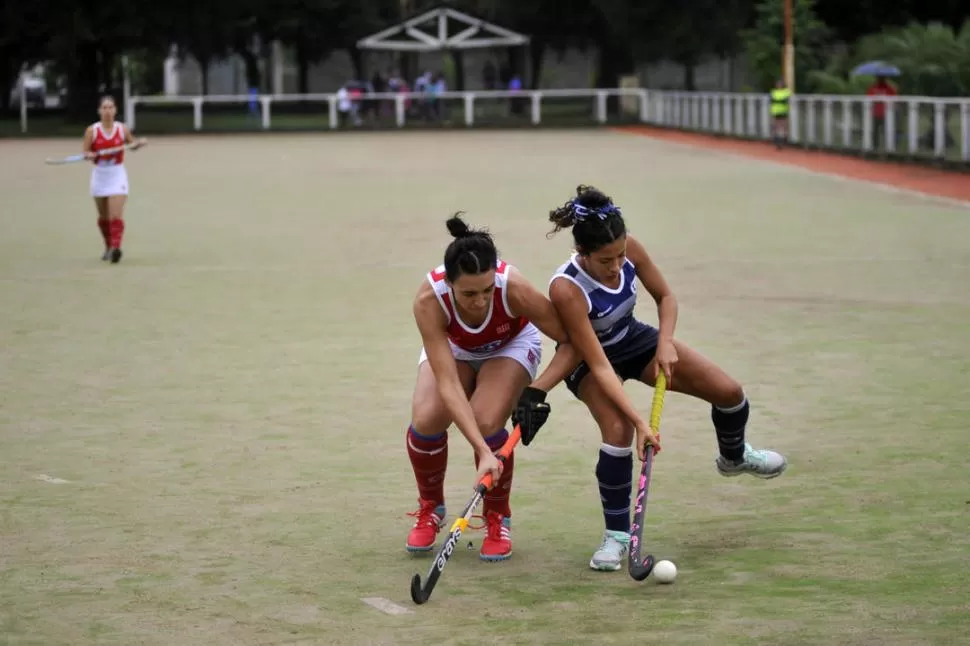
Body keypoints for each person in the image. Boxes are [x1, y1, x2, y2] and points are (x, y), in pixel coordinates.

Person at [537, 185, 787, 572]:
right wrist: (640, 424)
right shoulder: (567, 288)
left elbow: (665, 297)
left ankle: (734, 457)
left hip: (635, 339)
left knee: (728, 391)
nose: (617, 265)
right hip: (590, 360)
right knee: (618, 430)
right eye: (606, 260)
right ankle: (617, 537)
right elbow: (600, 365)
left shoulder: (629, 248)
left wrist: (665, 343)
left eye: (620, 254)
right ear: (582, 254)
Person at [405, 213, 568, 562]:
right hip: (456, 349)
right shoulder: (428, 302)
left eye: (485, 291)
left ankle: (497, 516)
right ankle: (431, 508)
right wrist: (482, 451)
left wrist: (537, 389)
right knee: (427, 418)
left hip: (511, 345)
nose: (479, 302)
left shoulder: (515, 289)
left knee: (486, 420)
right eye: (468, 294)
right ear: (448, 284)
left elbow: (571, 341)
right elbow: (448, 383)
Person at [83, 95, 146, 263]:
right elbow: (85, 152)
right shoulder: (92, 131)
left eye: (111, 107)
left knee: (115, 216)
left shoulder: (122, 129)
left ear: (115, 110)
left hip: (117, 174)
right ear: (99, 111)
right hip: (99, 175)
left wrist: (138, 144)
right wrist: (89, 154)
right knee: (103, 218)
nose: (108, 111)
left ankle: (116, 248)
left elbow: (132, 145)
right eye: (104, 108)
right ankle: (108, 246)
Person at [770, 79, 791, 149]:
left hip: (783, 111)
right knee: (775, 126)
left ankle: (784, 139)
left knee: (783, 126)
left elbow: (787, 100)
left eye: (780, 84)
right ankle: (777, 140)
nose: (778, 85)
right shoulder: (774, 92)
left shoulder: (786, 92)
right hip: (775, 111)